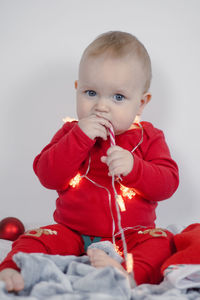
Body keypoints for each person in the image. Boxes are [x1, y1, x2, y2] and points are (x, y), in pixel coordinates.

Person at [0, 31, 179, 292]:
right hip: (71, 231)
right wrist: (79, 138)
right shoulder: (70, 133)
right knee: (36, 237)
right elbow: (47, 176)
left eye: (118, 97)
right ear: (77, 89)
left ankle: (130, 274)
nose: (101, 106)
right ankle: (12, 269)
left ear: (141, 103)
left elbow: (168, 184)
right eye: (91, 92)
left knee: (162, 241)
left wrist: (135, 167)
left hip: (130, 235)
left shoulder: (148, 137)